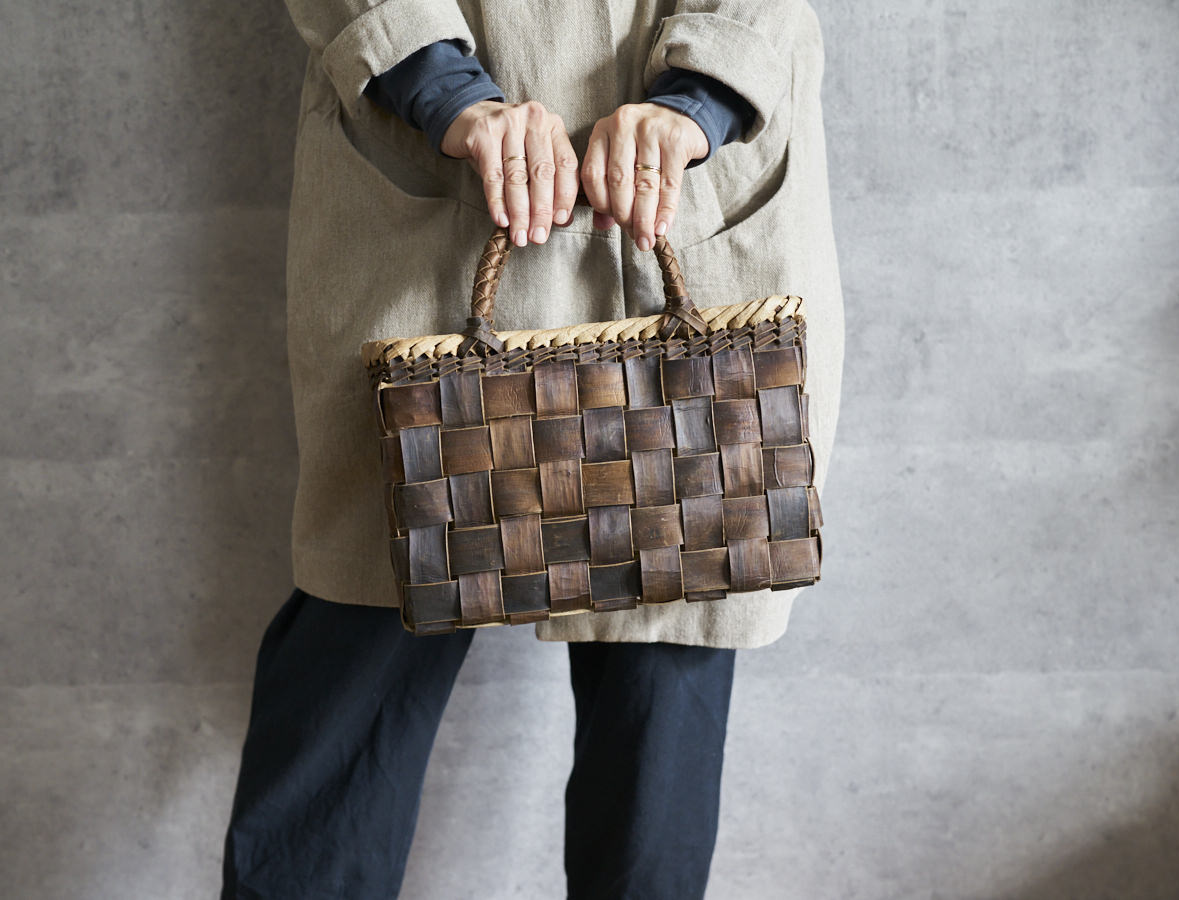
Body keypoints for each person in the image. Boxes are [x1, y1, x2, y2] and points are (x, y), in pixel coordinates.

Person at [222, 2, 844, 897]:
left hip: (694, 187)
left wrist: (701, 95)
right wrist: (439, 86)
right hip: (431, 189)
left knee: (670, 642)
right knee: (366, 611)